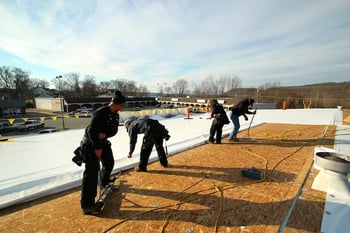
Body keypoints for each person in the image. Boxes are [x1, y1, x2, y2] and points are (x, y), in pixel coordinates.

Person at [79, 90, 125, 215]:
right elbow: (91, 131)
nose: (122, 108)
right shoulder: (100, 113)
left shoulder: (115, 115)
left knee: (109, 162)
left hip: (103, 142)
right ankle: (87, 205)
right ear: (115, 103)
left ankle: (104, 182)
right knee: (92, 172)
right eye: (121, 105)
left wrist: (105, 134)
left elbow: (114, 130)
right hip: (90, 143)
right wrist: (97, 147)